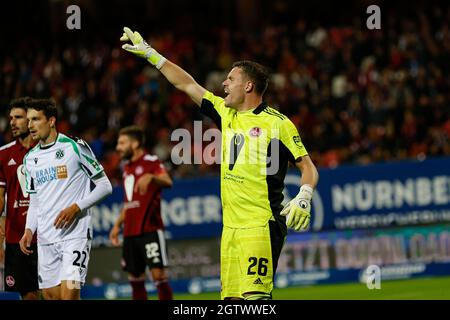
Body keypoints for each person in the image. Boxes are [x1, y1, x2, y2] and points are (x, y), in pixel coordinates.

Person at [120, 27, 319, 300]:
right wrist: (151, 54)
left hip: (260, 225)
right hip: (230, 230)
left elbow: (307, 166)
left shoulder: (277, 123)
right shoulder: (226, 114)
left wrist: (304, 195)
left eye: (231, 79)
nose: (224, 84)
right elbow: (187, 84)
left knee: (256, 300)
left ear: (248, 86)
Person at [19, 98, 113, 300]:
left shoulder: (74, 147)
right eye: (28, 120)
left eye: (36, 119)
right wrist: (29, 230)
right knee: (52, 297)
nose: (30, 126)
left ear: (51, 121)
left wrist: (76, 207)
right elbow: (35, 200)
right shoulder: (30, 159)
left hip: (75, 236)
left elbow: (105, 186)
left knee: (68, 296)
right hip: (45, 239)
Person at [109, 125, 173, 300]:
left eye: (122, 143)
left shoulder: (150, 161)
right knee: (135, 278)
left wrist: (152, 177)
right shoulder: (127, 168)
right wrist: (117, 225)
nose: (118, 147)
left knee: (158, 275)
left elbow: (168, 181)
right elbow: (129, 203)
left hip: (150, 229)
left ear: (135, 144)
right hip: (130, 232)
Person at [0, 97, 39, 300]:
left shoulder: (48, 150)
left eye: (18, 117)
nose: (13, 122)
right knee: (28, 296)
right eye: (11, 118)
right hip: (17, 236)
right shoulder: (3, 154)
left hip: (47, 234)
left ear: (31, 120)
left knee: (56, 294)